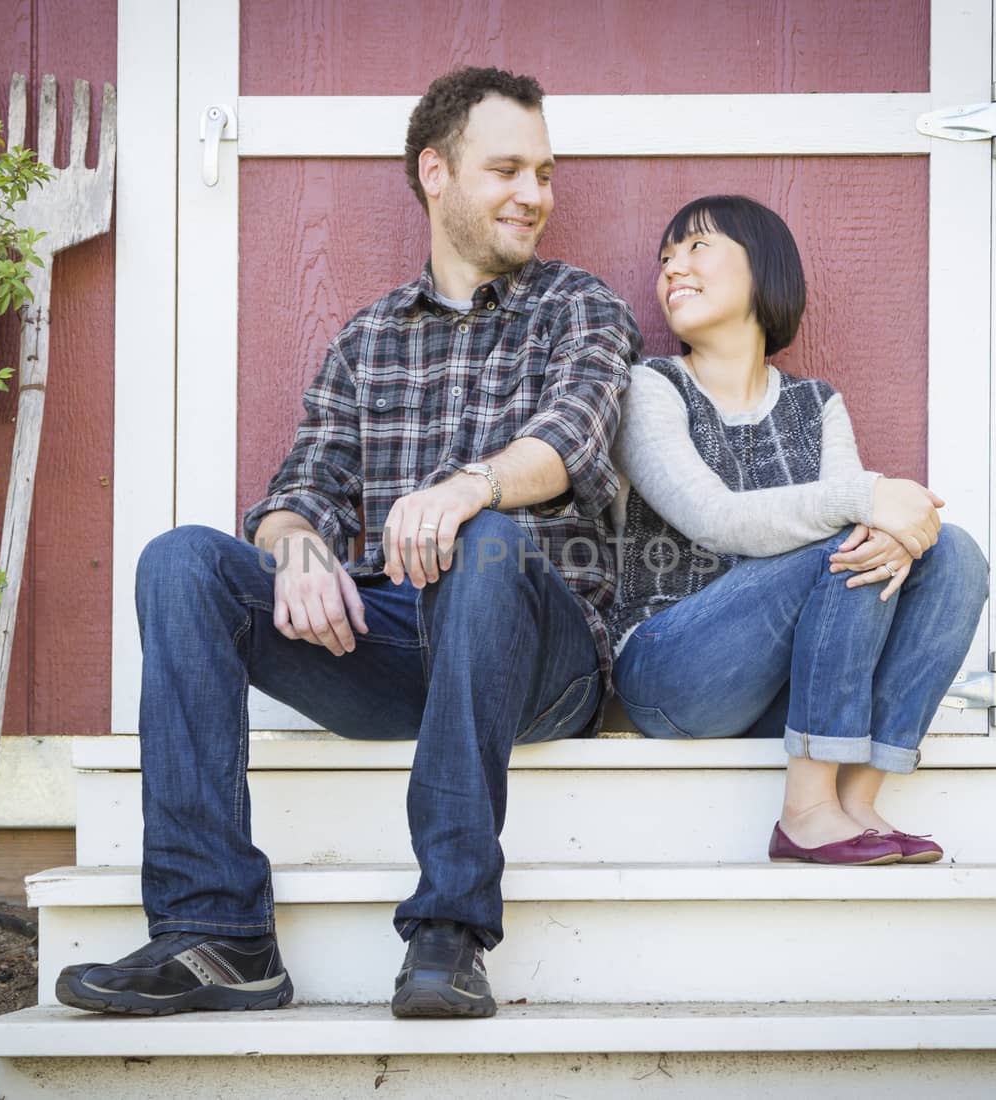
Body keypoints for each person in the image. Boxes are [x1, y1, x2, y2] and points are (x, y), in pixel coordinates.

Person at [55, 67, 641, 1019]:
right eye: (507, 170)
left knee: (487, 542)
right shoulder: (368, 338)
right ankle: (218, 935)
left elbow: (568, 437)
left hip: (543, 655)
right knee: (183, 563)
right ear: (436, 172)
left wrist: (466, 489)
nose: (534, 195)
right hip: (398, 642)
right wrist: (295, 550)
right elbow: (301, 491)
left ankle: (449, 930)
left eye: (544, 172)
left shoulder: (579, 308)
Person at [607, 194, 988, 866]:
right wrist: (870, 497)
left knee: (953, 552)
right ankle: (806, 812)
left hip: (779, 691)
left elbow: (856, 526)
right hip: (671, 672)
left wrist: (902, 533)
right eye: (666, 257)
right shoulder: (651, 387)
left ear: (765, 269)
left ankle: (857, 800)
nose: (673, 268)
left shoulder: (818, 405)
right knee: (841, 547)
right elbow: (715, 518)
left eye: (697, 247)